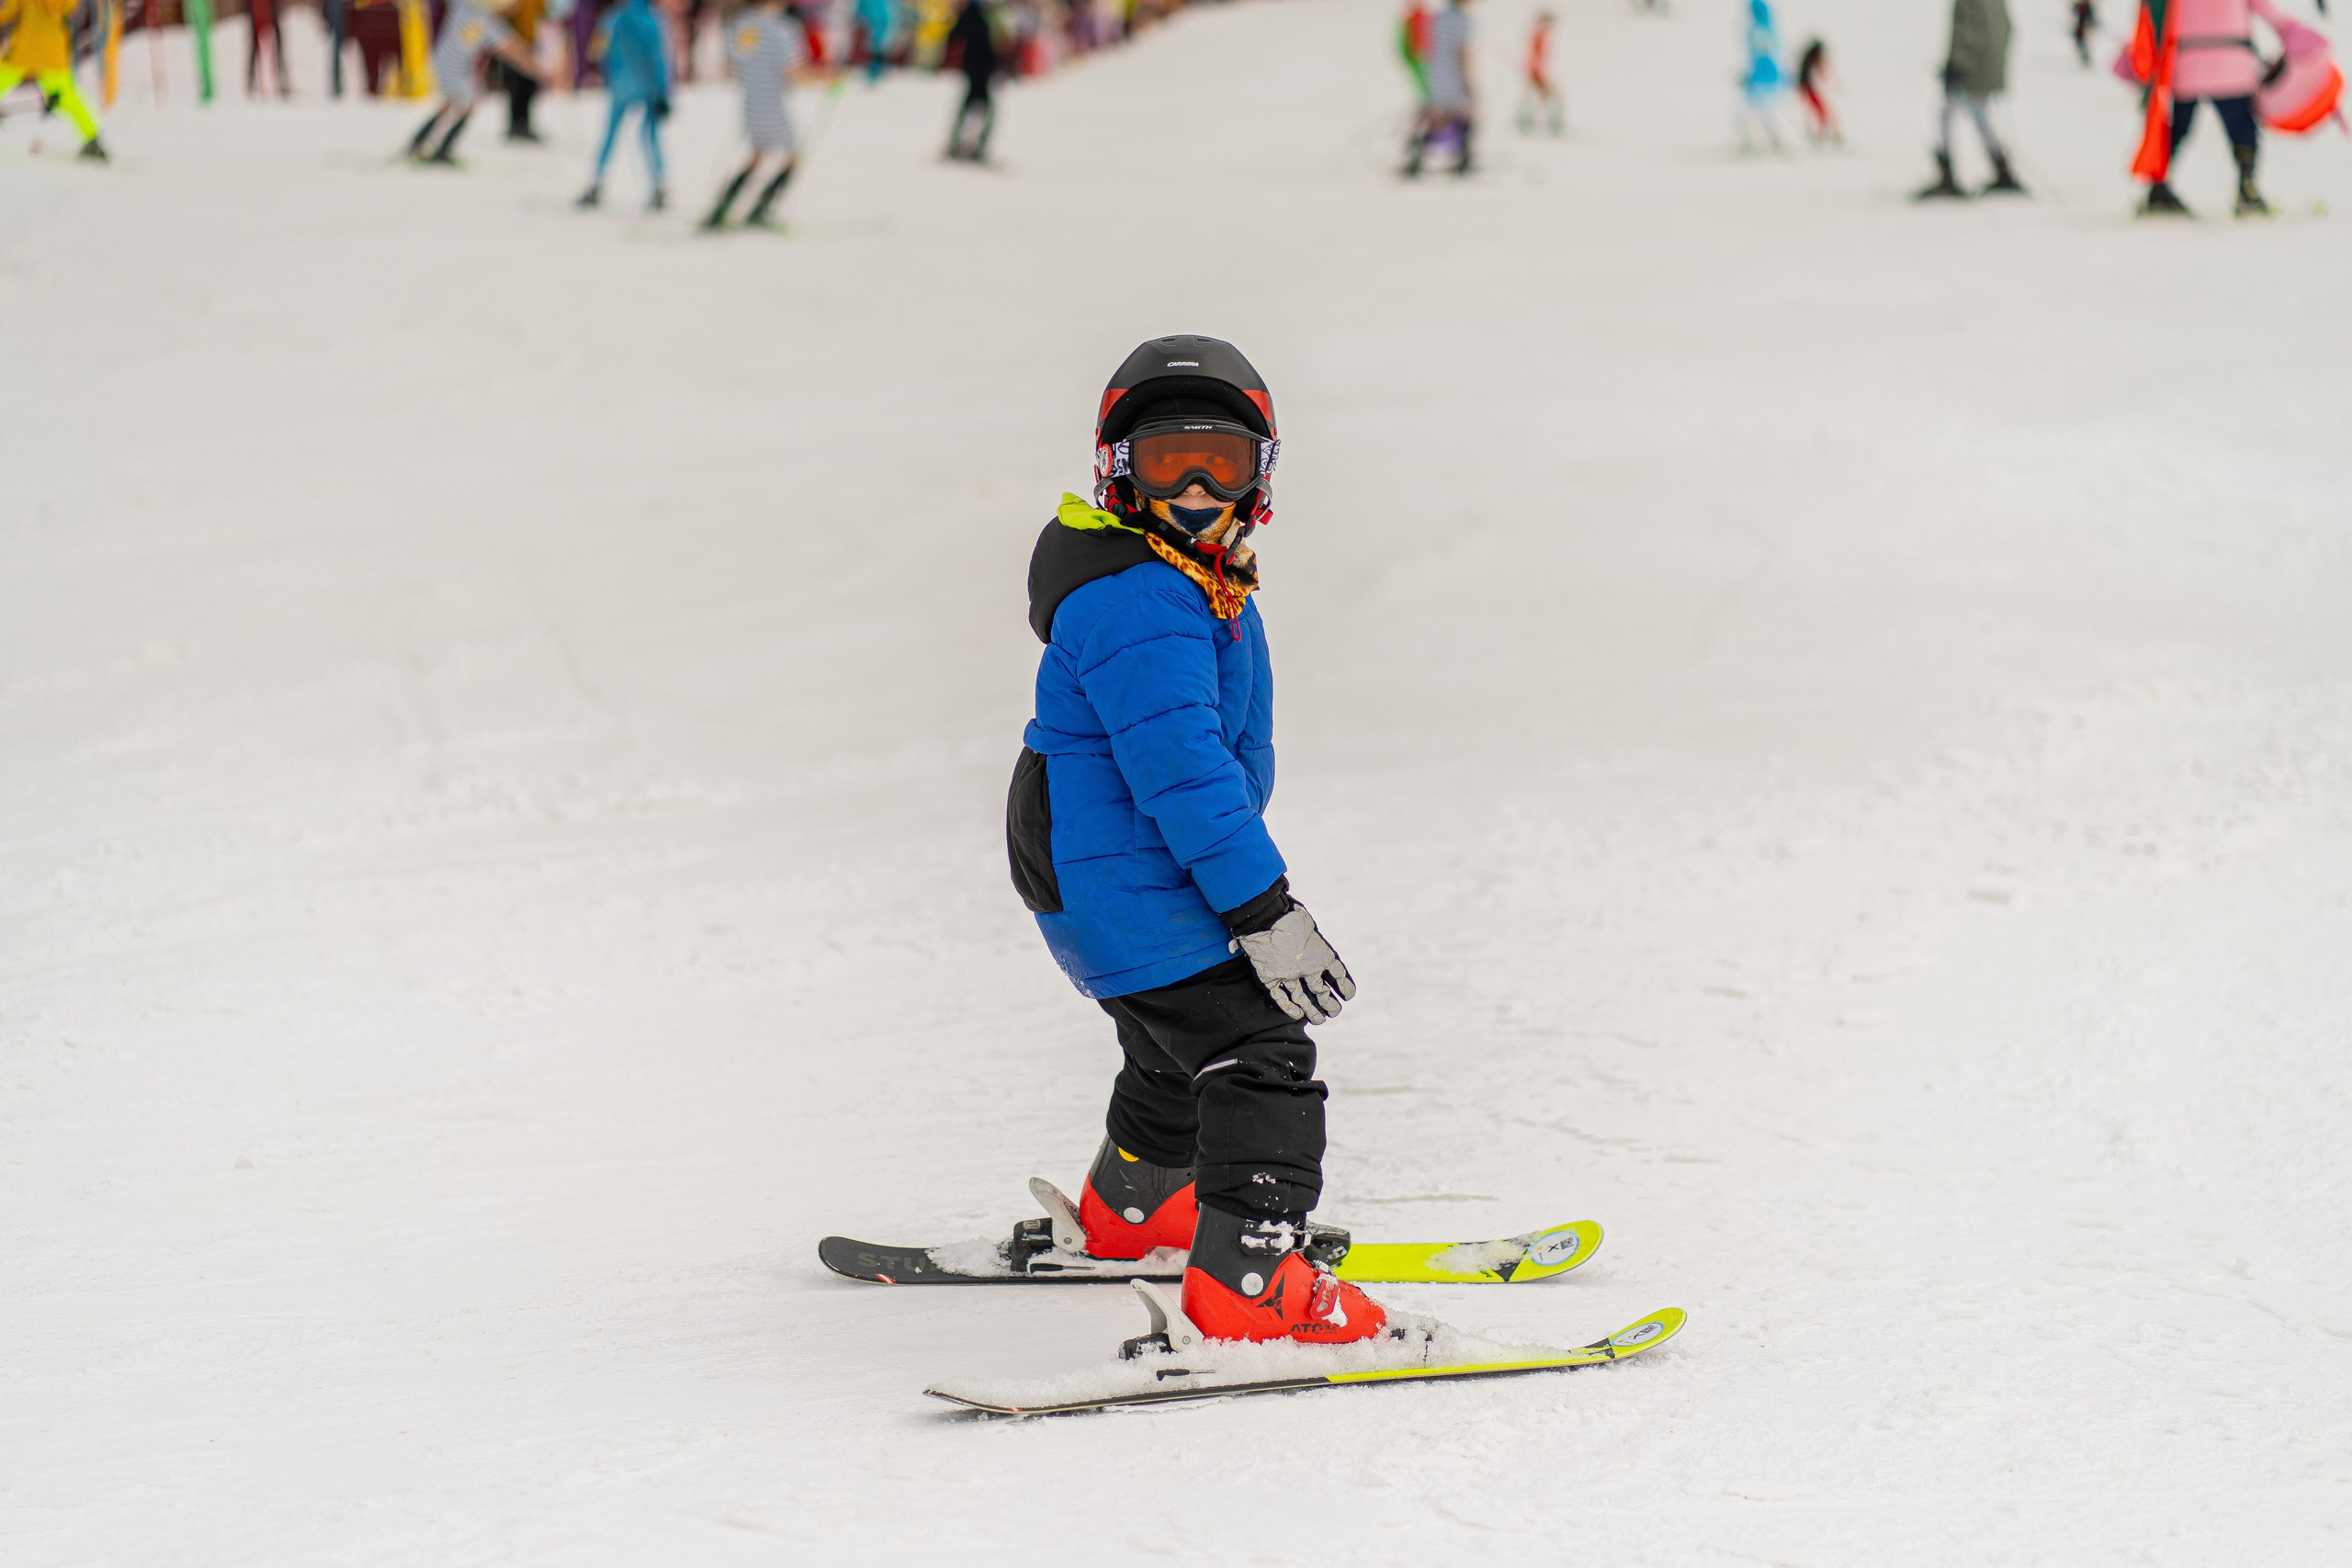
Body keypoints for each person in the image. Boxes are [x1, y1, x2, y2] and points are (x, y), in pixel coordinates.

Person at [1012, 336, 1385, 1347]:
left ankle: (1139, 1206)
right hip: (1126, 870)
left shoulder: (1177, 574)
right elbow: (1183, 773)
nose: (1191, 488)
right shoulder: (1143, 596)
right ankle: (1248, 1283)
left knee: (1172, 1041)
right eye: (1165, 459)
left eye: (1218, 462)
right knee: (1257, 1051)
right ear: (1118, 470)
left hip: (1106, 868)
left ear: (1258, 476)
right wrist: (1264, 910)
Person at [2139, 0, 2289, 217]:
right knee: (2242, 129)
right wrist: (2292, 33)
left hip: (2186, 63)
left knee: (2177, 129)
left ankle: (2158, 187)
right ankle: (2247, 187)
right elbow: (2264, 8)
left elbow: (2152, 15)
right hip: (2230, 63)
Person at [702, 0, 831, 230]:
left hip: (751, 104)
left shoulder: (741, 26)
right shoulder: (783, 28)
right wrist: (827, 78)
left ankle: (721, 208)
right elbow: (791, 73)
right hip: (773, 105)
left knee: (757, 155)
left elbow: (729, 66)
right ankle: (762, 209)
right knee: (793, 157)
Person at [406, 0, 542, 164]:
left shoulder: (465, 6)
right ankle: (443, 149)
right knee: (470, 102)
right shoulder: (490, 23)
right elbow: (512, 50)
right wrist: (535, 70)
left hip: (442, 61)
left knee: (450, 104)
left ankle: (418, 143)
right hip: (453, 66)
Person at [1913, 0, 2025, 197]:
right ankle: (2002, 169)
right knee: (1977, 113)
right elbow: (2006, 27)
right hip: (1988, 65)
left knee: (1948, 112)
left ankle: (1947, 175)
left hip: (1972, 69)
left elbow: (1970, 34)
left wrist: (1958, 64)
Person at [576, 0, 671, 209]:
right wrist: (664, 91)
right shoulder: (653, 20)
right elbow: (659, 59)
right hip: (648, 85)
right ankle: (659, 186)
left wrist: (609, 72)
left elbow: (595, 50)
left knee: (610, 135)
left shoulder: (613, 17)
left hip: (620, 84)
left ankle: (595, 182)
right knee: (650, 135)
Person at [0, 0, 107, 158]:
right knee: (67, 96)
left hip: (25, 47)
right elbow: (71, 10)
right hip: (54, 52)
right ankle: (92, 139)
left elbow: (8, 12)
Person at [1404, 0, 1473, 176]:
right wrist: (1468, 82)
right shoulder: (1462, 20)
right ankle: (1463, 161)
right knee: (1465, 116)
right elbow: (1461, 53)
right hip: (1453, 76)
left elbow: (1427, 47)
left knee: (1438, 118)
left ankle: (1416, 158)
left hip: (1436, 74)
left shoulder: (1438, 18)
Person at [944, 0, 999, 161]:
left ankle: (956, 143)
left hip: (972, 70)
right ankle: (979, 146)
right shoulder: (984, 19)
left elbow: (952, 38)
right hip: (982, 73)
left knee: (967, 108)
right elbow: (990, 48)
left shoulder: (966, 18)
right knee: (986, 111)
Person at [1735, 0, 1784, 152]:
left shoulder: (1757, 30)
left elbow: (1760, 56)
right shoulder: (1770, 28)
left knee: (1744, 109)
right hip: (1769, 77)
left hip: (1760, 79)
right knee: (1763, 110)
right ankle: (1772, 140)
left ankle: (1750, 141)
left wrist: (1750, 76)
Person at [493, 0, 545, 141]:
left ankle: (524, 123)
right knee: (515, 85)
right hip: (513, 46)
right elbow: (500, 13)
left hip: (530, 43)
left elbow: (542, 14)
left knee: (528, 85)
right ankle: (515, 124)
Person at [1516, 9, 1561, 135]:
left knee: (1540, 96)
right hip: (1536, 72)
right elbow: (1535, 56)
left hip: (1537, 71)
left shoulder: (1540, 34)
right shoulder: (1538, 35)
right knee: (1552, 96)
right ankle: (1553, 125)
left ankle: (1524, 121)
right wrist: (1537, 71)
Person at [1794, 35, 1839, 145]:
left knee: (1819, 112)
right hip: (1808, 89)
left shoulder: (1807, 59)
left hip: (1807, 88)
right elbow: (1821, 69)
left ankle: (1820, 135)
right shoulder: (1812, 59)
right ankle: (1821, 136)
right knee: (1822, 112)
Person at [247, 0, 289, 96]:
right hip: (256, 11)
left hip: (272, 11)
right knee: (254, 48)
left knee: (278, 49)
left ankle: (282, 79)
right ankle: (252, 80)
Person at [2073, 0, 2098, 66]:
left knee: (2084, 45)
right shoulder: (2079, 6)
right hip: (2080, 29)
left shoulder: (2088, 7)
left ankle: (2085, 60)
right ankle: (2084, 59)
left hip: (2085, 29)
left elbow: (2091, 19)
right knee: (2080, 44)